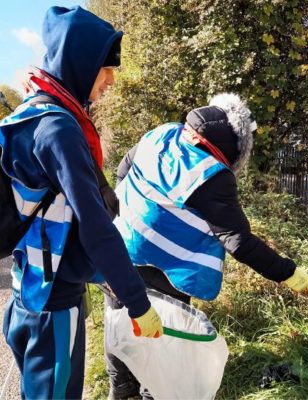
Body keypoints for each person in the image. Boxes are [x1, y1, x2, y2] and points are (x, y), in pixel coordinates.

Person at [105, 93, 308, 399]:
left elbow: (124, 172)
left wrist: (130, 215)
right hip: (165, 268)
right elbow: (240, 242)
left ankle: (121, 390)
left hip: (118, 249)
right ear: (234, 149)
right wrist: (288, 273)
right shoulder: (211, 175)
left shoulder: (162, 133)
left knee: (119, 320)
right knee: (161, 339)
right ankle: (153, 393)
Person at [0, 6, 162, 400]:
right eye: (104, 69)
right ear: (80, 62)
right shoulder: (58, 129)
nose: (109, 80)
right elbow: (93, 224)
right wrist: (138, 302)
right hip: (53, 304)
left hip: (29, 292)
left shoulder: (34, 113)